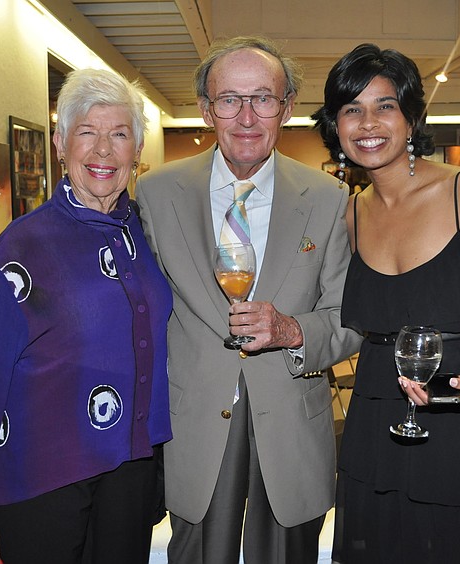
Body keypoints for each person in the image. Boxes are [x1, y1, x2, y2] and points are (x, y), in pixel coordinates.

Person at [312, 43, 460, 563]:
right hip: (379, 411)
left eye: (385, 105)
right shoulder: (349, 215)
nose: (367, 122)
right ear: (335, 124)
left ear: (413, 116)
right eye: (352, 109)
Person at [135, 36, 361, 563]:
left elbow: (349, 318)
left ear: (285, 109)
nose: (246, 116)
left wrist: (292, 331)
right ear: (206, 109)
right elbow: (139, 311)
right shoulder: (156, 193)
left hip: (291, 419)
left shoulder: (329, 198)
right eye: (229, 100)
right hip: (193, 421)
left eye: (262, 98)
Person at [0, 69, 173, 563]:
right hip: (43, 476)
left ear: (137, 151)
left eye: (119, 134)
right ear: (61, 144)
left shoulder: (148, 236)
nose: (103, 151)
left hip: (131, 470)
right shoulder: (22, 246)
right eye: (87, 133)